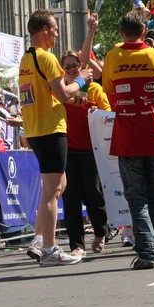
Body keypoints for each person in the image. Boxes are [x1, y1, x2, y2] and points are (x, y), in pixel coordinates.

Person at [103, 10, 154, 270]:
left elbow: (109, 93)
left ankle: (148, 251)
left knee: (137, 199)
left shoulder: (112, 56)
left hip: (128, 138)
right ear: (145, 32)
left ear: (121, 32)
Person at [19, 9, 92, 268]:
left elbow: (47, 94)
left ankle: (40, 240)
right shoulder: (47, 57)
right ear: (44, 30)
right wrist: (81, 81)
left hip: (37, 129)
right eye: (55, 28)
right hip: (50, 130)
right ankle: (49, 250)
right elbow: (61, 93)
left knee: (59, 184)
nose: (57, 33)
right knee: (51, 192)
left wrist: (74, 99)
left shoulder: (27, 58)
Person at [60, 48, 111, 258]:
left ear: (81, 67)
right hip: (68, 150)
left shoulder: (94, 89)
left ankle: (101, 231)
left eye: (75, 65)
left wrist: (96, 112)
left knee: (93, 195)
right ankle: (76, 245)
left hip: (91, 149)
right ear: (62, 69)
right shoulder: (61, 90)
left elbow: (108, 114)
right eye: (67, 66)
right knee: (71, 199)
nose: (72, 69)